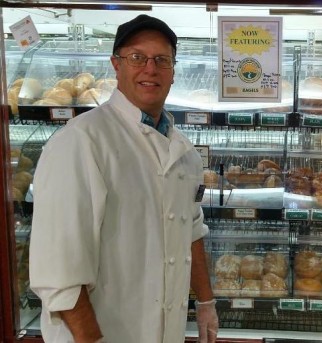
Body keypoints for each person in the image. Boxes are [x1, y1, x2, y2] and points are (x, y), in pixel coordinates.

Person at [29, 14, 218, 343]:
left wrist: (206, 301)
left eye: (162, 60)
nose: (150, 68)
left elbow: (191, 228)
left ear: (173, 72)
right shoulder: (81, 142)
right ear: (116, 65)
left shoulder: (184, 151)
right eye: (137, 57)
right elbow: (60, 275)